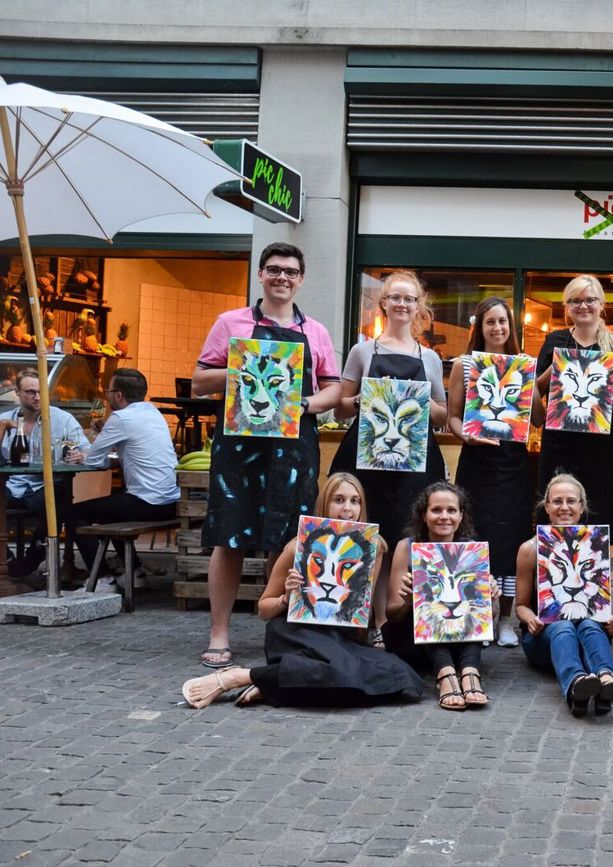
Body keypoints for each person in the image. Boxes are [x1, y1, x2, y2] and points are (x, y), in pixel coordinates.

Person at [191, 242, 341, 669]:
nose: (282, 278)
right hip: (240, 448)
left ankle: (280, 631)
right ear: (260, 274)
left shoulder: (316, 331)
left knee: (287, 538)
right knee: (229, 535)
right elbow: (200, 381)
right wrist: (245, 367)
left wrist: (305, 404)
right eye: (274, 270)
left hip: (294, 446)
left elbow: (333, 389)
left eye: (291, 272)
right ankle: (219, 633)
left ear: (301, 279)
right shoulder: (230, 322)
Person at [180, 473, 424, 709]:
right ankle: (239, 677)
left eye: (354, 500)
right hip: (295, 632)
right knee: (339, 673)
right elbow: (265, 608)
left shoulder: (374, 549)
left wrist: (359, 618)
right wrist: (286, 597)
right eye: (338, 500)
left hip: (338, 638)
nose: (347, 507)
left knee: (400, 676)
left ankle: (271, 685)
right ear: (325, 504)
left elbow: (360, 622)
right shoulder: (299, 545)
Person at [331, 270, 448, 640]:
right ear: (384, 302)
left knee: (404, 537)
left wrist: (415, 400)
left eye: (409, 299)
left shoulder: (428, 357)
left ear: (419, 306)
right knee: (367, 535)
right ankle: (362, 620)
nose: (402, 304)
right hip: (366, 459)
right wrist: (366, 399)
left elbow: (443, 414)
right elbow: (340, 409)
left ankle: (392, 624)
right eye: (395, 297)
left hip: (414, 463)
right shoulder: (362, 350)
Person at [447, 296, 532, 649]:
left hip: (514, 462)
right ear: (478, 328)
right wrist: (465, 434)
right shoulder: (464, 365)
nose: (498, 328)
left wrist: (534, 381)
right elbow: (452, 416)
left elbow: (537, 417)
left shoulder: (522, 364)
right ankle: (479, 615)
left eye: (503, 322)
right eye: (490, 322)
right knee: (474, 537)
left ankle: (507, 619)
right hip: (476, 461)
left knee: (511, 539)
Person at [534, 275, 613, 545]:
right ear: (567, 307)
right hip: (559, 443)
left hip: (599, 446)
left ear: (601, 304)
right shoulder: (555, 341)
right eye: (576, 301)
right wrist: (552, 370)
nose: (583, 306)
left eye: (590, 300)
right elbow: (535, 391)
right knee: (557, 513)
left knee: (598, 517)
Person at [516, 473, 613, 718]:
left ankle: (606, 679)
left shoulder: (596, 546)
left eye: (571, 501)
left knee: (589, 624)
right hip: (545, 638)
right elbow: (520, 605)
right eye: (557, 501)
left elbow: (598, 605)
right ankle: (576, 682)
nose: (564, 507)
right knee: (563, 626)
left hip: (588, 633)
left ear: (581, 506)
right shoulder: (529, 549)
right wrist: (530, 618)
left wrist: (609, 620)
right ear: (547, 507)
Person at [382, 481, 497, 711]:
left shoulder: (471, 549)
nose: (444, 516)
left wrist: (490, 597)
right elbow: (391, 614)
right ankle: (445, 675)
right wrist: (409, 598)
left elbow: (490, 619)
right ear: (424, 515)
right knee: (428, 596)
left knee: (471, 605)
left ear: (461, 516)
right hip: (411, 639)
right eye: (436, 510)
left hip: (458, 639)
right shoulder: (407, 547)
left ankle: (469, 673)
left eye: (451, 510)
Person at [65, 368, 179, 585]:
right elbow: (127, 452)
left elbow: (96, 460)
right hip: (170, 502)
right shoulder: (153, 412)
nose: (107, 396)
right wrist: (104, 435)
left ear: (118, 395)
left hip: (149, 502)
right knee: (117, 503)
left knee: (72, 513)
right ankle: (134, 572)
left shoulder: (121, 417)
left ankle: (102, 578)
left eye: (108, 391)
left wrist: (83, 455)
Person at [0, 367, 91, 581]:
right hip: (11, 487)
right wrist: (4, 427)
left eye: (41, 391)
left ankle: (32, 560)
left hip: (44, 486)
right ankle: (7, 560)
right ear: (18, 392)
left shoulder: (62, 420)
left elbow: (86, 449)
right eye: (31, 392)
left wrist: (81, 455)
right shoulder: (4, 419)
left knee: (59, 501)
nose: (37, 397)